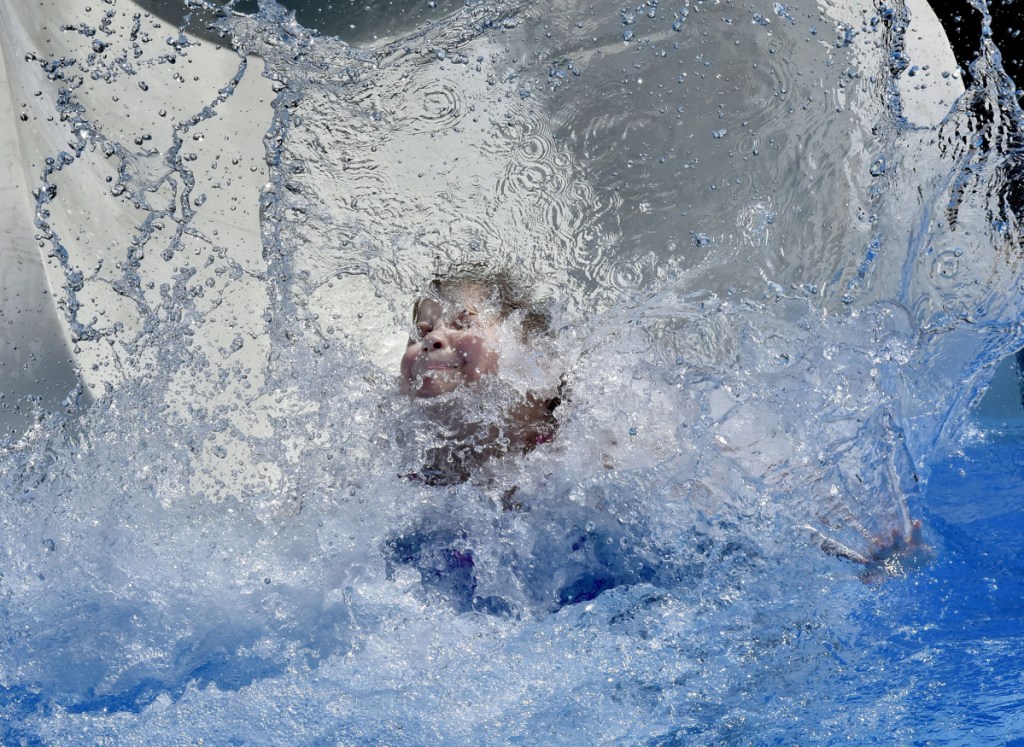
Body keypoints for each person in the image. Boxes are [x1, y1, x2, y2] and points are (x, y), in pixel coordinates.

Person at [397, 272, 563, 490]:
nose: (430, 339)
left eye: (463, 323)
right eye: (421, 333)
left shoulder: (577, 457)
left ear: (534, 363)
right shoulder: (393, 460)